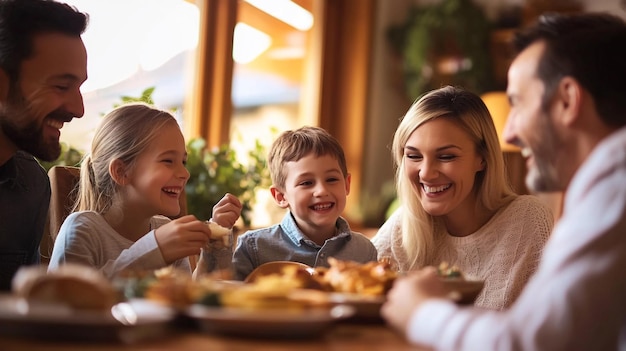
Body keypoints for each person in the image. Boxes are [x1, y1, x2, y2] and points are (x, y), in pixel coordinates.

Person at [382, 13, 626, 350]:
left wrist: (421, 312)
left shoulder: (614, 191)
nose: (509, 132)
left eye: (518, 103)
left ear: (568, 100)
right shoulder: (605, 188)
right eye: (413, 155)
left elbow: (531, 341)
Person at [371, 85, 553, 310]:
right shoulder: (403, 226)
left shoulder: (527, 219)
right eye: (413, 156)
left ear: (482, 159)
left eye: (446, 156)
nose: (426, 173)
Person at [48, 103, 242, 279]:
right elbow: (70, 302)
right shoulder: (83, 230)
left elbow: (188, 301)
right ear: (121, 171)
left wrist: (216, 241)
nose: (185, 173)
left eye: (183, 162)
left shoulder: (163, 228)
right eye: (168, 161)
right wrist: (155, 249)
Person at [0, 0, 88, 291]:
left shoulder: (31, 186)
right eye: (61, 87)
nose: (78, 109)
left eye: (79, 87)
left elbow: (20, 310)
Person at [232, 126, 378, 281]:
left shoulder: (364, 251)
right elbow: (222, 296)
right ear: (281, 196)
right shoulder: (254, 247)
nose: (321, 191)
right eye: (307, 182)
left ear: (347, 185)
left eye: (331, 179)